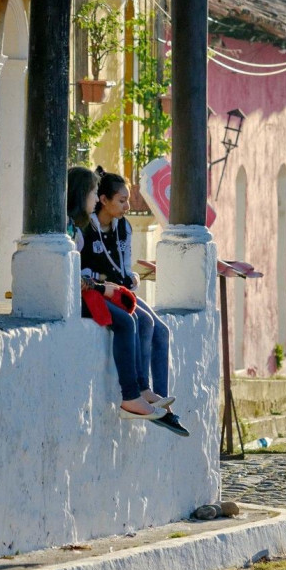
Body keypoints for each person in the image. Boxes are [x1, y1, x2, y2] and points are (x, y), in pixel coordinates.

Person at [80, 168, 189, 438]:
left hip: (118, 290)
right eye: (121, 200)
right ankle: (140, 390)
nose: (127, 206)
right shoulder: (86, 229)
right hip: (100, 293)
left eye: (128, 200)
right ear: (102, 200)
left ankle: (158, 401)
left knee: (161, 330)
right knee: (142, 321)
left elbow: (124, 264)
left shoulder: (123, 227)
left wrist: (130, 277)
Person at [66, 166, 164, 423]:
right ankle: (132, 395)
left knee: (154, 325)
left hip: (106, 290)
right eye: (92, 193)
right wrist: (99, 283)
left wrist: (123, 278)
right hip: (82, 296)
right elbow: (72, 276)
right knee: (129, 321)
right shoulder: (76, 231)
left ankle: (150, 395)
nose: (95, 197)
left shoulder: (80, 228)